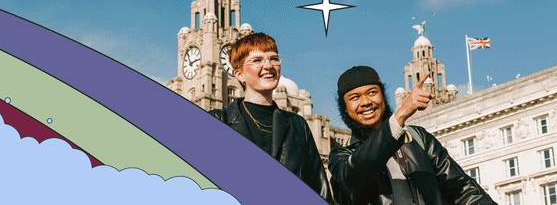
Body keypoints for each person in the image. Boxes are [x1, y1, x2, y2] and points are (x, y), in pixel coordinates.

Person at [330, 66, 496, 205]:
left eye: (372, 92)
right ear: (344, 108)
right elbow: (352, 178)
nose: (366, 102)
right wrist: (401, 115)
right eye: (355, 97)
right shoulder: (341, 156)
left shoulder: (419, 138)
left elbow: (461, 189)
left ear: (383, 96)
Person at [206, 33, 332, 203]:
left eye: (273, 58)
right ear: (240, 74)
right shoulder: (217, 122)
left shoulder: (297, 125)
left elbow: (321, 192)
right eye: (257, 60)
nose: (268, 65)